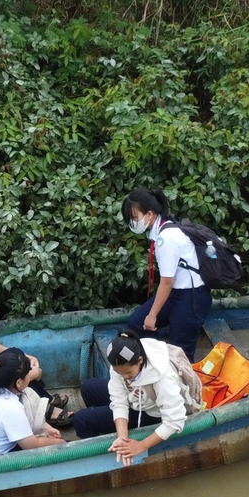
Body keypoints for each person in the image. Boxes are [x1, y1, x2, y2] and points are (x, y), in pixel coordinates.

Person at [70, 332, 203, 465]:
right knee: (88, 388)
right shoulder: (120, 361)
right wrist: (122, 436)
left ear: (140, 360)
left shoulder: (163, 378)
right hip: (137, 398)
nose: (125, 378)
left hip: (154, 411)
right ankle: (114, 442)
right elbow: (118, 400)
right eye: (119, 373)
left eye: (128, 373)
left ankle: (100, 461)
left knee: (82, 419)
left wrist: (141, 445)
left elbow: (174, 421)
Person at [121, 188, 212, 359]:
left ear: (149, 215)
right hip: (177, 294)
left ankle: (179, 372)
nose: (133, 222)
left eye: (135, 217)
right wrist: (148, 317)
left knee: (181, 355)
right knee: (136, 322)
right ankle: (164, 357)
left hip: (191, 297)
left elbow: (167, 282)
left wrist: (152, 315)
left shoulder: (166, 238)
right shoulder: (162, 231)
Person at [0, 348, 67, 458]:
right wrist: (62, 443)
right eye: (28, 373)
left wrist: (47, 428)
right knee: (62, 450)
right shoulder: (10, 407)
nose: (30, 375)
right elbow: (33, 446)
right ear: (19, 382)